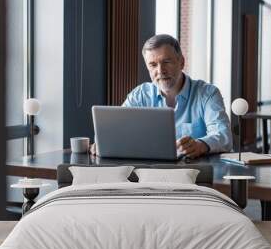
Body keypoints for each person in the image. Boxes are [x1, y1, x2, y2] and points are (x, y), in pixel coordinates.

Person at [91, 34, 232, 158]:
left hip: (195, 174)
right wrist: (102, 143)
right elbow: (116, 129)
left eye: (166, 62)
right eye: (153, 65)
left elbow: (223, 136)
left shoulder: (208, 94)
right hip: (149, 173)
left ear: (181, 62)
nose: (160, 71)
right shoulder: (140, 95)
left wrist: (200, 145)